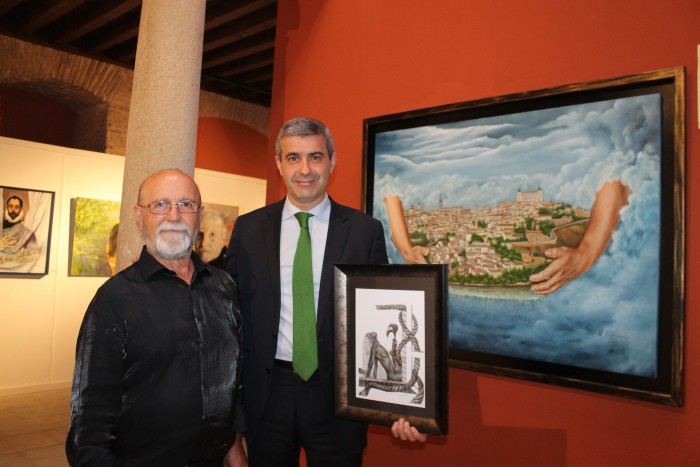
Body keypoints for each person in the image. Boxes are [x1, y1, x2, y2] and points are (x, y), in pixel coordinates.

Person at [225, 118, 425, 467]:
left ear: (332, 161)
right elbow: (230, 315)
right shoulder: (249, 229)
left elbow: (383, 314)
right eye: (293, 158)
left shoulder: (365, 232)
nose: (305, 169)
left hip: (338, 397)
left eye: (315, 157)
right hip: (269, 393)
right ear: (279, 164)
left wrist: (403, 406)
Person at [66, 169, 246, 466]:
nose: (174, 216)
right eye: (160, 205)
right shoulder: (114, 300)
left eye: (185, 205)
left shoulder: (224, 288)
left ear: (199, 215)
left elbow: (232, 388)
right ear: (139, 216)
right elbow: (89, 427)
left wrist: (234, 451)